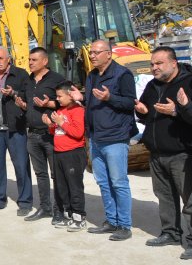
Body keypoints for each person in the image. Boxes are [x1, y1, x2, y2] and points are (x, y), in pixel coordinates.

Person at [71, 39, 137, 241]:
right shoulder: (91, 75)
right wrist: (82, 98)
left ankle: (124, 225)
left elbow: (129, 103)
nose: (92, 55)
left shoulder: (122, 74)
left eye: (96, 52)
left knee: (118, 182)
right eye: (91, 52)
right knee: (104, 183)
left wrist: (110, 98)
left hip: (115, 137)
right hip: (96, 138)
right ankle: (111, 220)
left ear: (108, 54)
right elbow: (92, 103)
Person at [134, 46, 192, 259]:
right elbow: (146, 114)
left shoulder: (191, 82)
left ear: (173, 63)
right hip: (156, 153)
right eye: (152, 64)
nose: (154, 68)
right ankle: (170, 232)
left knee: (190, 200)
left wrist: (177, 111)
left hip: (182, 153)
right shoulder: (153, 85)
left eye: (159, 63)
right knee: (165, 197)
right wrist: (141, 111)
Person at [14, 47, 65, 224]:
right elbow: (28, 104)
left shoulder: (57, 79)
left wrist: (50, 103)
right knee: (40, 173)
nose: (30, 62)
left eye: (34, 60)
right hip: (33, 134)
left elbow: (68, 102)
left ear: (45, 61)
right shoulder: (28, 80)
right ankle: (45, 207)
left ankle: (60, 210)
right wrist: (22, 104)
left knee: (56, 174)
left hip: (51, 134)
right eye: (29, 59)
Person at [0, 47, 33, 216]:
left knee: (21, 165)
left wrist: (14, 93)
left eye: (1, 58)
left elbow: (28, 96)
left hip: (15, 128)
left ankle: (25, 201)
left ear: (8, 59)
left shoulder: (20, 74)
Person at [42, 81, 87, 232]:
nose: (58, 99)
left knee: (74, 186)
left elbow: (78, 133)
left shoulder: (78, 110)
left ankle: (79, 216)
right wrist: (50, 125)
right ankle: (67, 214)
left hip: (73, 153)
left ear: (70, 95)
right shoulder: (61, 111)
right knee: (62, 186)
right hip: (59, 152)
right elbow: (56, 132)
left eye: (60, 96)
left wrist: (61, 123)